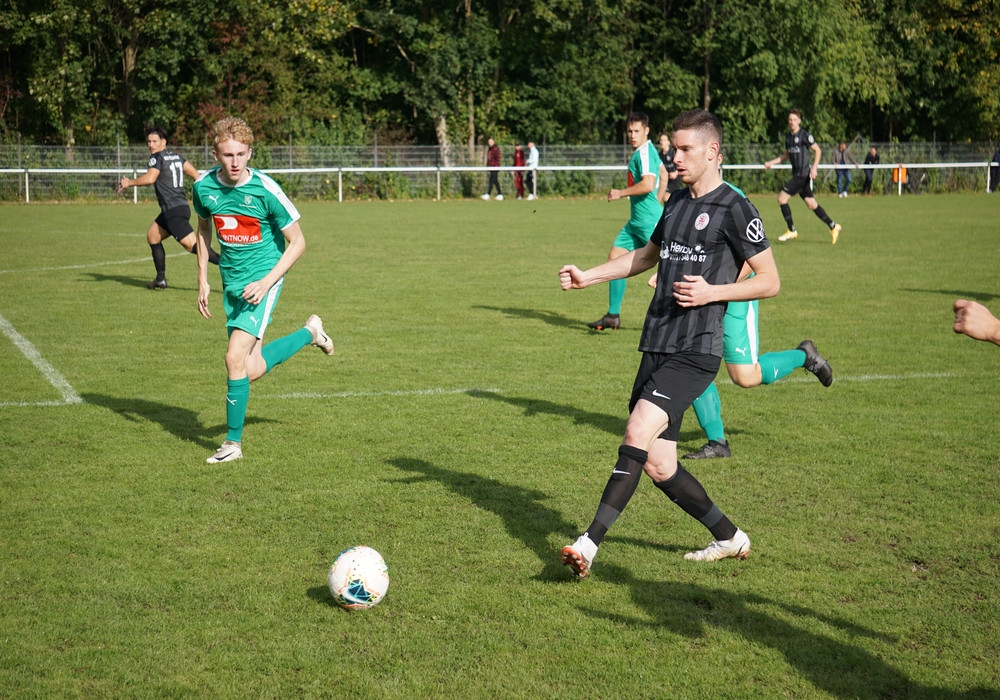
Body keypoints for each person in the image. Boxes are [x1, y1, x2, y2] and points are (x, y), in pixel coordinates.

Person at [558, 109, 779, 578]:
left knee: (637, 432)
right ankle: (730, 537)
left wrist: (712, 292)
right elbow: (646, 257)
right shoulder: (675, 201)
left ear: (712, 151)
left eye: (683, 150)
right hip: (657, 341)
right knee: (659, 464)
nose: (673, 157)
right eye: (672, 148)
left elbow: (770, 280)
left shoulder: (736, 208)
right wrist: (588, 277)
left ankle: (588, 545)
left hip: (696, 350)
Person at [192, 116, 335, 464]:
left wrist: (267, 281)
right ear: (215, 154)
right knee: (250, 367)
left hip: (263, 281)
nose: (235, 162)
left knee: (232, 358)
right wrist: (202, 278)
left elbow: (298, 242)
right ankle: (309, 333)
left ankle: (232, 444)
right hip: (231, 281)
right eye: (227, 155)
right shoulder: (203, 187)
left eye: (241, 154)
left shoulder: (266, 190)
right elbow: (202, 228)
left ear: (250, 152)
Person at [682, 288, 833, 459]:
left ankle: (804, 356)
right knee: (691, 360)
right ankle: (717, 443)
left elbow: (751, 264)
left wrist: (716, 286)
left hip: (734, 294)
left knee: (746, 376)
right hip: (701, 291)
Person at [586, 112, 663, 331]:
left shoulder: (646, 153)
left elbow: (648, 184)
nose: (632, 135)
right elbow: (664, 175)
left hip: (649, 222)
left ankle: (673, 320)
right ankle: (613, 315)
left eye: (637, 131)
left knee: (670, 268)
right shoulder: (641, 153)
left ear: (646, 130)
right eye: (629, 131)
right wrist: (660, 199)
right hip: (636, 223)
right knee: (614, 258)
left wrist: (621, 193)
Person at [118, 126, 220, 288]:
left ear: (163, 142)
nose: (151, 145)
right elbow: (196, 175)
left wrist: (129, 182)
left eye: (154, 141)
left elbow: (151, 178)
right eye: (149, 142)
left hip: (173, 212)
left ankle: (227, 265)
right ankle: (160, 279)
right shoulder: (177, 157)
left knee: (195, 247)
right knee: (153, 236)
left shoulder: (156, 158)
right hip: (177, 209)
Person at [764, 109, 842, 245]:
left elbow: (817, 150)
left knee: (782, 198)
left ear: (799, 121)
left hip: (802, 175)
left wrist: (815, 168)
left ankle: (791, 229)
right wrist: (771, 163)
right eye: (790, 120)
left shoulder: (805, 135)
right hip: (798, 176)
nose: (792, 122)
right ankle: (833, 226)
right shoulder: (788, 138)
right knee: (812, 204)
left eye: (794, 120)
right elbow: (785, 155)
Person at [658, 133, 682, 198]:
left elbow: (680, 164)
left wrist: (675, 173)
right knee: (667, 200)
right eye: (661, 140)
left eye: (664, 140)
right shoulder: (660, 155)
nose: (662, 142)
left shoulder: (672, 153)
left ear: (668, 142)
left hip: (674, 180)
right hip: (665, 180)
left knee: (668, 197)